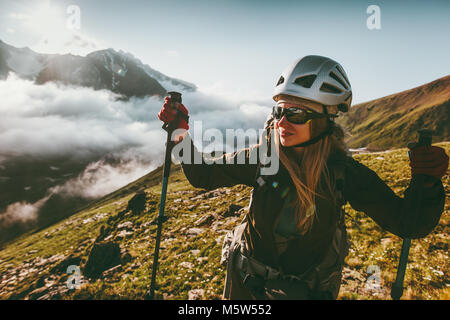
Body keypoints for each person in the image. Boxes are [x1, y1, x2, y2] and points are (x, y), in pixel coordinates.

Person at [157, 55, 448, 300]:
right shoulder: (263, 158)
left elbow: (408, 223)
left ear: (324, 120)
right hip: (247, 284)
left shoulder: (342, 173)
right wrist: (180, 131)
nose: (282, 122)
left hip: (308, 290)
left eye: (295, 113)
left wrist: (428, 184)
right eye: (280, 110)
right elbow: (203, 175)